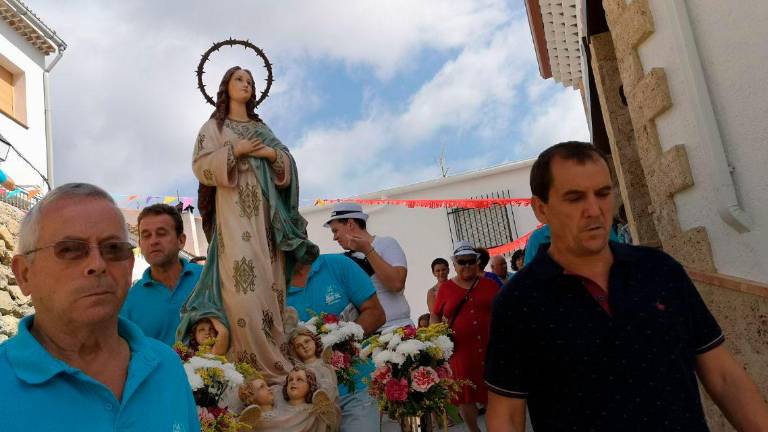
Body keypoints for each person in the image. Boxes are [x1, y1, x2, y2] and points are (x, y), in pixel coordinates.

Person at [485, 142, 768, 431]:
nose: (594, 210)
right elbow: (506, 415)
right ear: (541, 209)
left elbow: (723, 377)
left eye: (603, 193)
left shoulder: (661, 271)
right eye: (575, 198)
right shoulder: (518, 303)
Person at [0, 183, 199, 431]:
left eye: (113, 249)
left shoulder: (165, 366)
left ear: (128, 266)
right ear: (25, 274)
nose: (97, 264)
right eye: (70, 249)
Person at [180, 66, 318, 382]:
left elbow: (287, 163)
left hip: (267, 223)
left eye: (251, 81)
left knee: (270, 288)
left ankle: (278, 367)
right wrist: (234, 151)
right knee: (242, 293)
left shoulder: (261, 127)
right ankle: (247, 371)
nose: (246, 84)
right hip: (232, 218)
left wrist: (271, 154)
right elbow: (201, 165)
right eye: (239, 79)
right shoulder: (214, 126)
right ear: (225, 86)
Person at [287, 253, 385, 432]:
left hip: (356, 389)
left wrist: (338, 341)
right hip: (306, 404)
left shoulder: (337, 264)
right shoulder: (273, 287)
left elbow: (376, 313)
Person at [431, 240, 500, 432]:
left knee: (493, 392)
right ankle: (474, 430)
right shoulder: (445, 289)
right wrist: (437, 338)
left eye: (471, 261)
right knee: (465, 394)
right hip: (461, 350)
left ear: (477, 262)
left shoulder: (490, 284)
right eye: (462, 262)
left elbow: (504, 310)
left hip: (490, 347)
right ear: (454, 264)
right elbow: (436, 313)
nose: (467, 265)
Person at [120, 204, 203, 346]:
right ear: (140, 244)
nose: (153, 241)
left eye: (161, 233)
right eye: (146, 236)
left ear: (181, 240)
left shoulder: (206, 279)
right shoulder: (129, 302)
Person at [325, 202, 410, 330]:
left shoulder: (386, 244)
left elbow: (396, 284)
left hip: (398, 328)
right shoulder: (343, 260)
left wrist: (367, 250)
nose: (334, 237)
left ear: (350, 224)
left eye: (335, 231)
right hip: (369, 334)